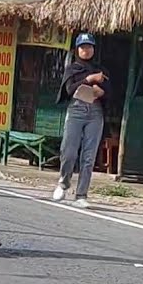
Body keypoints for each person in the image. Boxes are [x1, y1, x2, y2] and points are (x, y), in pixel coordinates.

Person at [51, 33, 110, 208]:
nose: (86, 50)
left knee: (89, 155)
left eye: (89, 47)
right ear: (77, 49)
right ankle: (63, 183)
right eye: (83, 47)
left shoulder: (100, 70)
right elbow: (69, 89)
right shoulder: (72, 69)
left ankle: (81, 194)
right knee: (68, 151)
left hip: (95, 112)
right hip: (76, 109)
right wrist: (88, 80)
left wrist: (102, 91)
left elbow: (111, 91)